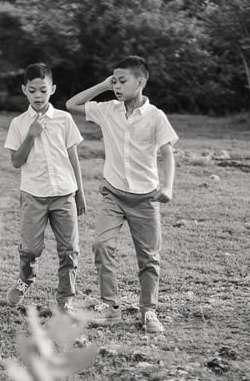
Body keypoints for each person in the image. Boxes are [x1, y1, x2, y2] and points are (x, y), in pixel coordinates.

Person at [66, 55, 177, 332]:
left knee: (149, 257)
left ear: (140, 82)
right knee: (102, 245)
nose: (117, 85)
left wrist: (168, 187)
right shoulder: (107, 110)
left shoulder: (156, 117)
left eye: (122, 81)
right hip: (113, 194)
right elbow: (71, 104)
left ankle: (148, 311)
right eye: (114, 80)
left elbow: (167, 153)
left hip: (145, 199)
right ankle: (110, 306)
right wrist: (103, 85)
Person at [4, 63, 86, 314]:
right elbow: (16, 162)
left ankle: (65, 299)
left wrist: (80, 193)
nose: (38, 96)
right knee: (30, 248)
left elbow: (73, 157)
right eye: (32, 90)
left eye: (43, 90)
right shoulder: (18, 123)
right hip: (33, 195)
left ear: (53, 89)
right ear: (24, 91)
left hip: (64, 193)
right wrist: (31, 135)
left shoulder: (64, 119)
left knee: (69, 250)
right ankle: (25, 279)